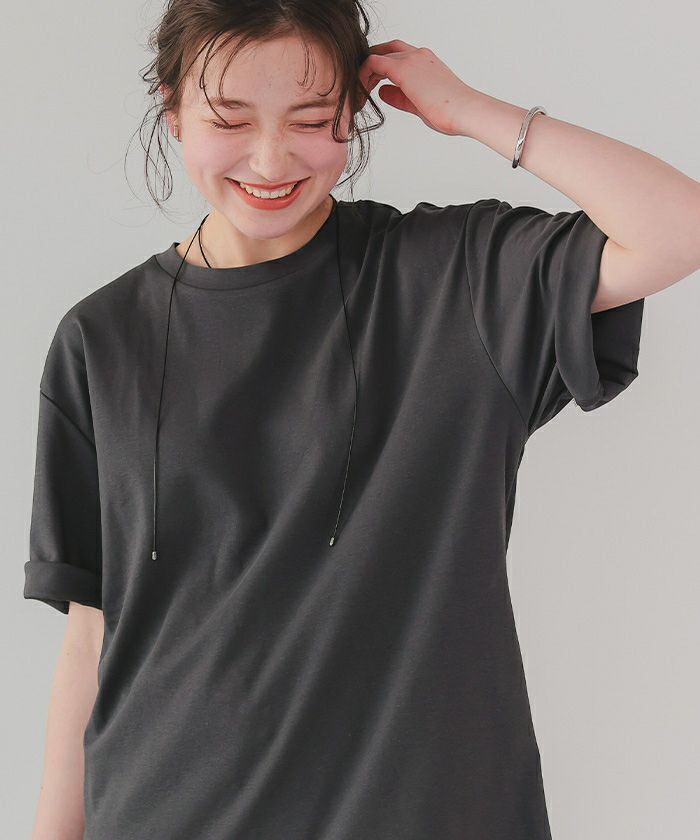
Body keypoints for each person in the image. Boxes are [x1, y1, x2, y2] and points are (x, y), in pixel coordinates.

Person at [23, 2, 700, 839]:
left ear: (355, 108)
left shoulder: (456, 282)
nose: (270, 159)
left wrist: (470, 111)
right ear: (172, 110)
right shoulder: (100, 340)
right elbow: (92, 635)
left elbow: (677, 230)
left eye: (312, 120)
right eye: (229, 121)